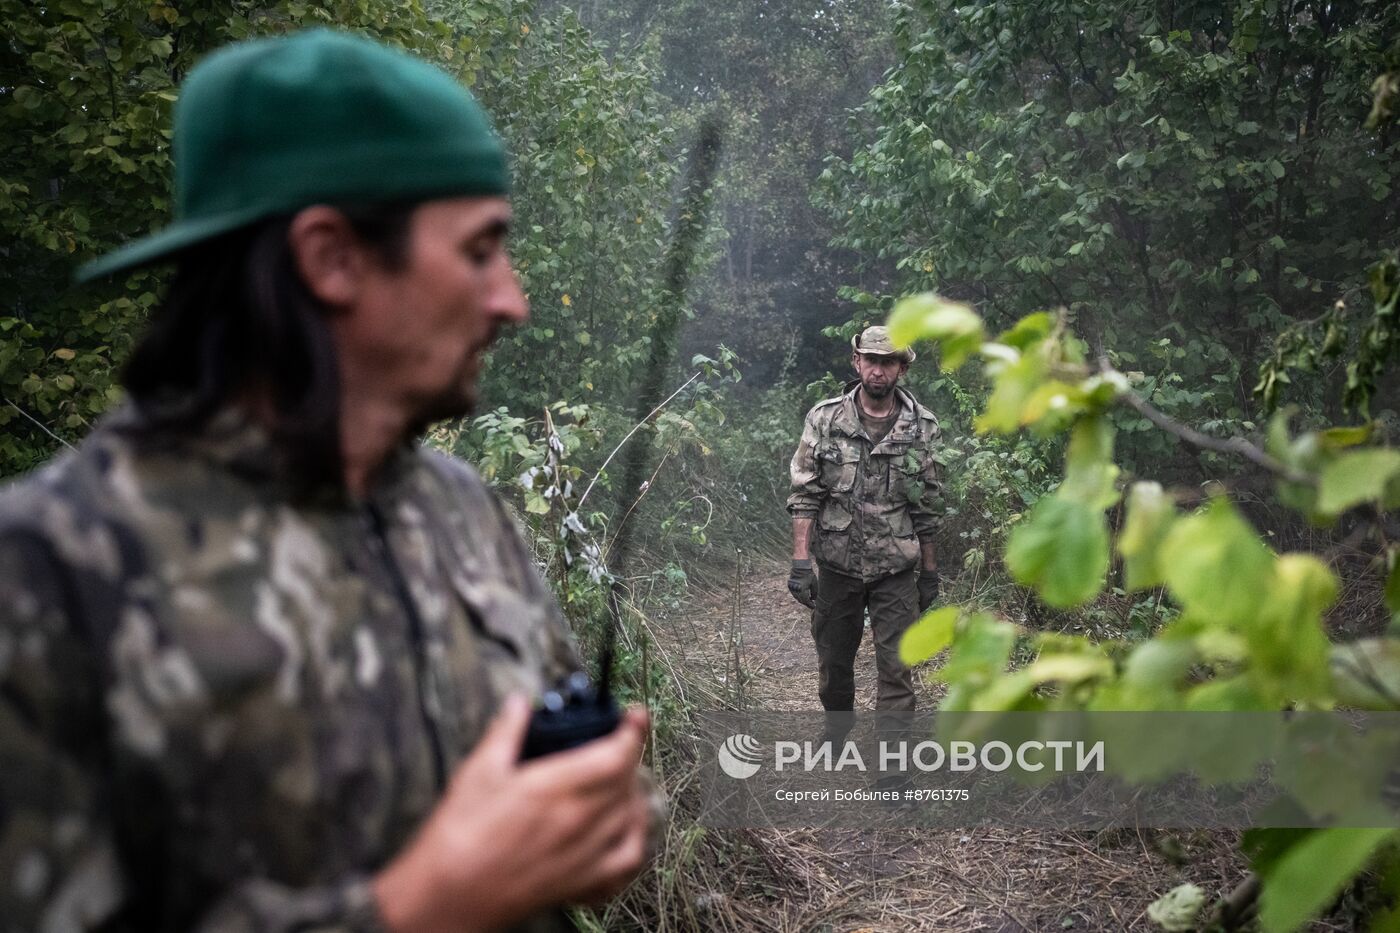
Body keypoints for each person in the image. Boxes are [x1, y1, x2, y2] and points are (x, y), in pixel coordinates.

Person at [0, 30, 654, 933]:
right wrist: (423, 907)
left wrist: (601, 816)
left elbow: (567, 784)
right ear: (331, 258)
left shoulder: (460, 509)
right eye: (478, 251)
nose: (512, 299)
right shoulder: (45, 570)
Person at [786, 325, 944, 712]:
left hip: (896, 569)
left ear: (901, 369)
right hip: (839, 566)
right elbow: (805, 494)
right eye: (871, 360)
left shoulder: (922, 427)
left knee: (897, 669)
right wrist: (801, 565)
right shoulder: (825, 420)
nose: (878, 371)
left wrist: (929, 572)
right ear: (857, 362)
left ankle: (892, 770)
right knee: (834, 665)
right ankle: (837, 732)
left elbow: (927, 506)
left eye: (888, 362)